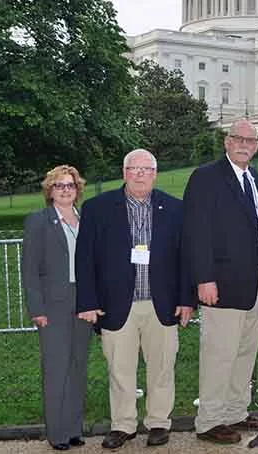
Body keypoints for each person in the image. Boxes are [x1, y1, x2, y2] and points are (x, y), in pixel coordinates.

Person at [76, 149, 193, 449]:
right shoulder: (97, 208)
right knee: (120, 369)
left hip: (162, 304)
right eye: (133, 169)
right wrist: (87, 302)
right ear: (124, 172)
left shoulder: (175, 209)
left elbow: (185, 259)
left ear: (155, 173)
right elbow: (84, 259)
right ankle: (123, 425)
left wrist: (186, 300)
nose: (140, 174)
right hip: (116, 303)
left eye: (146, 169)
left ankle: (158, 423)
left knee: (163, 367)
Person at [182, 119, 258, 444]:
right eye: (238, 138)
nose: (244, 144)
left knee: (245, 350)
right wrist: (204, 278)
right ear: (226, 141)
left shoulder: (256, 179)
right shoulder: (206, 177)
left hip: (256, 277)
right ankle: (209, 420)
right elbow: (196, 231)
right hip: (221, 280)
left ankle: (236, 411)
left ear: (257, 145)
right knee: (219, 352)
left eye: (251, 140)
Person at [22, 165, 94, 451]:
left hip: (83, 303)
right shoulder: (38, 221)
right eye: (59, 186)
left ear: (78, 190)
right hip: (53, 306)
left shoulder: (85, 219)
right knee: (56, 369)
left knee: (78, 367)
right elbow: (30, 271)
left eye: (70, 185)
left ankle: (74, 429)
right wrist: (37, 309)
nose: (66, 190)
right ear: (49, 191)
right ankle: (58, 433)